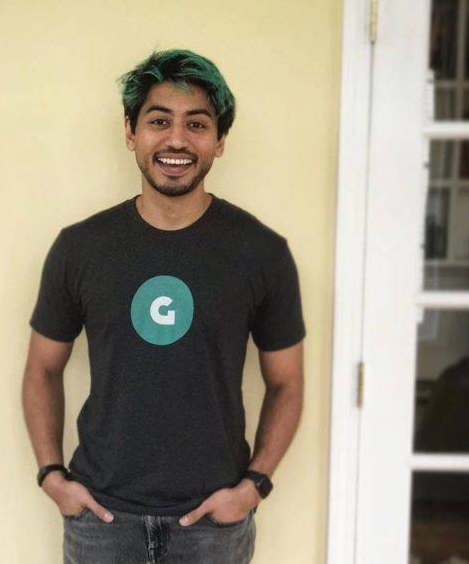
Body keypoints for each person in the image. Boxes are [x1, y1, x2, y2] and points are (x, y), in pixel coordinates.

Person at [21, 49, 306, 564]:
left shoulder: (262, 252)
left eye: (197, 124)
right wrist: (52, 476)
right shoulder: (80, 248)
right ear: (131, 132)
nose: (177, 140)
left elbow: (287, 382)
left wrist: (253, 487)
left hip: (213, 526)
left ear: (219, 141)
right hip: (101, 522)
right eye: (159, 121)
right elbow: (42, 368)